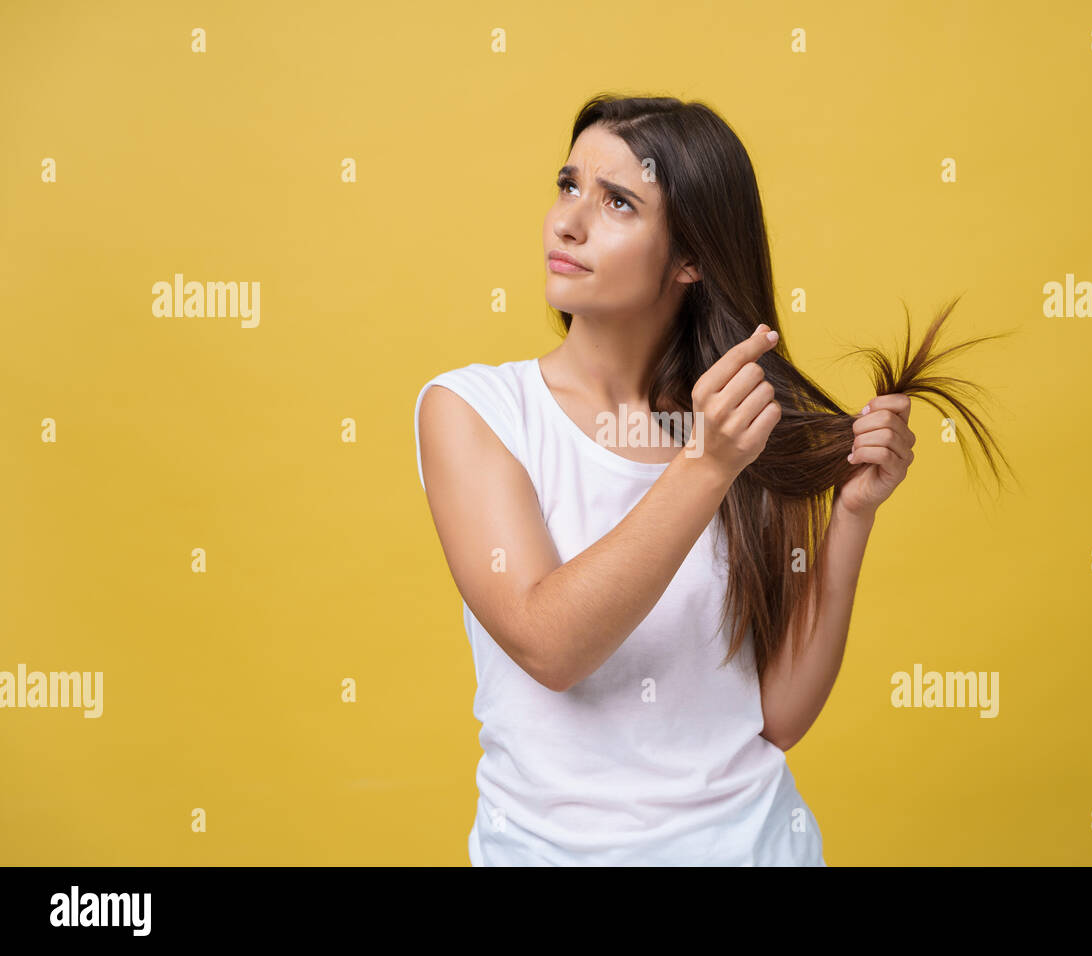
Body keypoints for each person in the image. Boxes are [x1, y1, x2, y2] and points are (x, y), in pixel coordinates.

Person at [414, 94, 1005, 866]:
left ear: (690, 259)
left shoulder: (740, 424)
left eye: (618, 201)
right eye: (568, 185)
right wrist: (707, 464)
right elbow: (549, 645)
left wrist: (853, 514)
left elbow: (777, 717)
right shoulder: (475, 409)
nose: (568, 221)